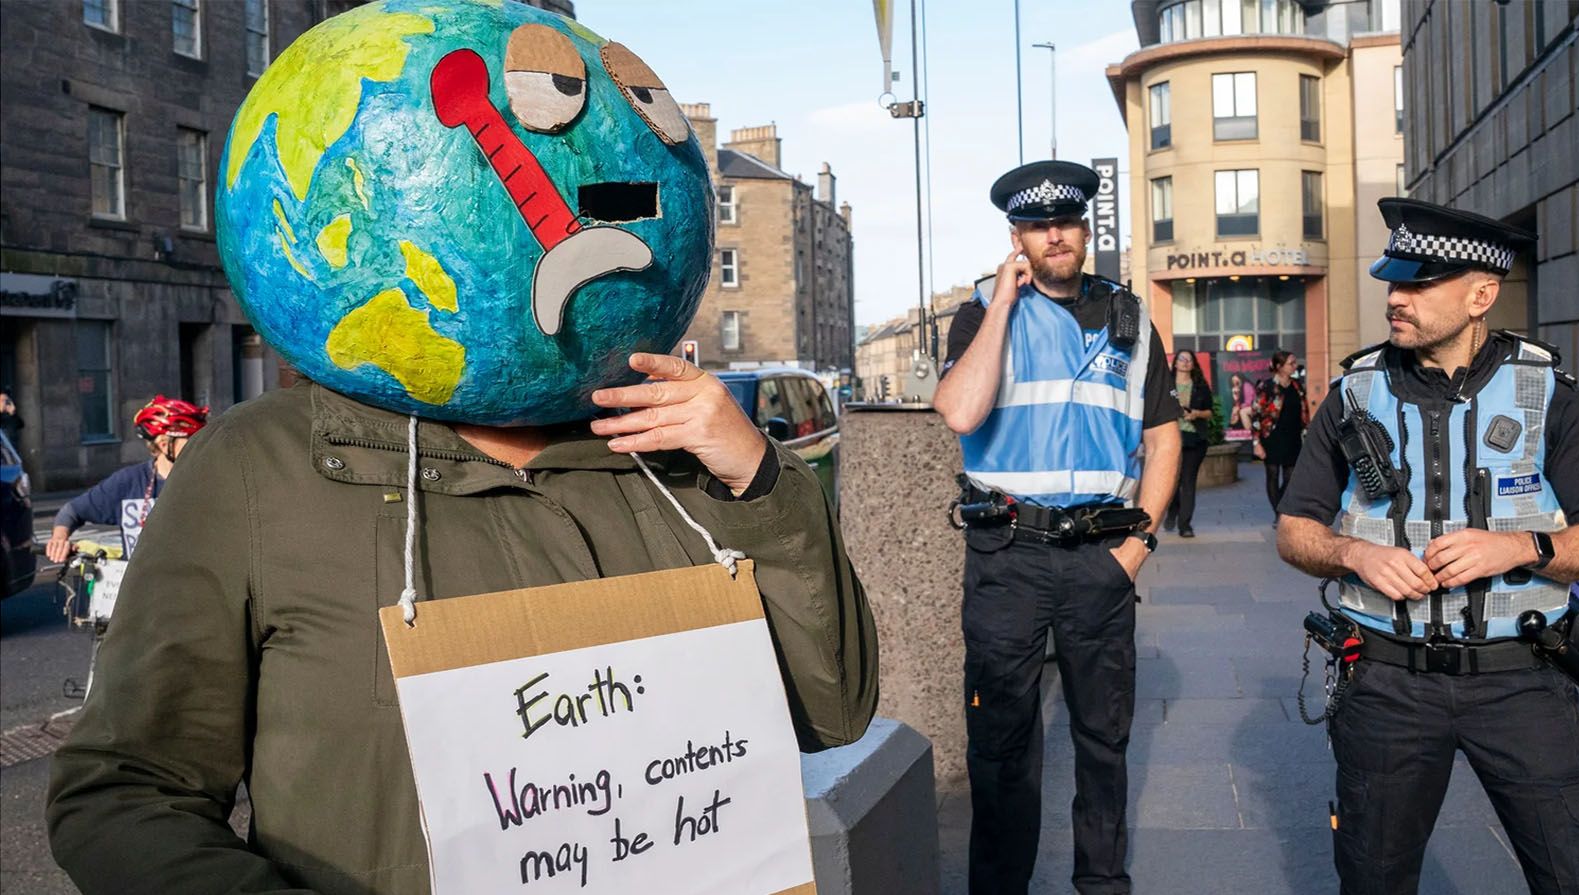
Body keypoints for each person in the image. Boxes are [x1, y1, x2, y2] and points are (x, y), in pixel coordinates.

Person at [45, 6, 877, 892]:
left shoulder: (672, 461)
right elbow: (126, 792)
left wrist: (757, 479)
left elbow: (832, 707)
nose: (609, 209)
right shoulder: (260, 469)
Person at [1276, 197, 1579, 895]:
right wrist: (1355, 554)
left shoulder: (1549, 395)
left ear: (1481, 294)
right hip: (1384, 683)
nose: (1395, 298)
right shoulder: (1352, 394)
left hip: (1523, 678)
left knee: (1573, 878)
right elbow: (1295, 530)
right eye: (1392, 281)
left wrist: (1519, 546)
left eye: (1417, 284)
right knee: (1373, 877)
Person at [933, 159, 1180, 895]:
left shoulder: (1130, 320)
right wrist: (1006, 304)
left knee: (1104, 739)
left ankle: (1103, 882)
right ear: (1018, 238)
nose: (1055, 235)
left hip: (1101, 557)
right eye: (1038, 226)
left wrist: (1138, 548)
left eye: (1066, 222)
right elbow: (960, 413)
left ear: (1085, 228)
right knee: (1003, 744)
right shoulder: (982, 311)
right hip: (1007, 553)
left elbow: (1164, 438)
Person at [45, 395, 206, 563]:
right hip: (141, 586)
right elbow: (72, 511)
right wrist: (59, 539)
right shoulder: (129, 482)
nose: (200, 447)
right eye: (191, 441)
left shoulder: (208, 480)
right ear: (165, 444)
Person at [1252, 350, 1307, 522]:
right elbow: (1256, 415)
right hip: (1272, 437)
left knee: (1291, 477)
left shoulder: (1297, 386)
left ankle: (1281, 507)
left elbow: (1304, 412)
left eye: (1294, 362)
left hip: (1293, 437)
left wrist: (1307, 433)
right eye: (1291, 363)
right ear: (1278, 367)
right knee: (1273, 474)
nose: (1294, 366)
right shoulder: (1266, 386)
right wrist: (1256, 442)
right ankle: (1278, 513)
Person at [1166, 349, 1214, 538]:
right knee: (1173, 482)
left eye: (1189, 360)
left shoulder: (1200, 386)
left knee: (1188, 481)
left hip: (1195, 439)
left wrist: (1196, 414)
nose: (1185, 362)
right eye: (1182, 359)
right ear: (1175, 363)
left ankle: (1185, 524)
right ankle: (1172, 510)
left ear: (1193, 364)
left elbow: (1209, 412)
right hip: (1171, 439)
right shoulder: (1167, 385)